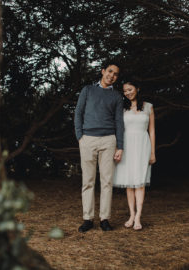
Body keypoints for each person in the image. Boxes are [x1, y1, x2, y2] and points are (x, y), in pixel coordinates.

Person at [74, 61, 124, 233]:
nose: (112, 75)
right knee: (87, 181)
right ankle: (88, 219)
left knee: (106, 182)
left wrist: (120, 146)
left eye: (116, 74)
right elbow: (78, 113)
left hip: (108, 141)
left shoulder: (117, 97)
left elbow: (119, 122)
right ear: (103, 71)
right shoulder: (88, 90)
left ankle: (104, 219)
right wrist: (80, 136)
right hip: (88, 139)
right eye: (110, 71)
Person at [113, 80, 156, 231]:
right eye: (125, 91)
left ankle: (138, 216)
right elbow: (119, 129)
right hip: (127, 145)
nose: (128, 93)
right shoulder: (122, 108)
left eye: (130, 89)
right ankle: (131, 214)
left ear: (137, 88)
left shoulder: (148, 107)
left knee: (140, 182)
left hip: (143, 145)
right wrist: (118, 148)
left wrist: (152, 152)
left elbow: (151, 131)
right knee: (129, 183)